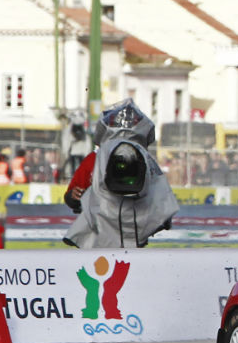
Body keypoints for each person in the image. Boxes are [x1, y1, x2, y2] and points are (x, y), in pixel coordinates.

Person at [63, 98, 179, 248]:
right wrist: (74, 196)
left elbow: (160, 194)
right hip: (101, 235)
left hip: (130, 231)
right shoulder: (95, 159)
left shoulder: (146, 160)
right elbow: (163, 200)